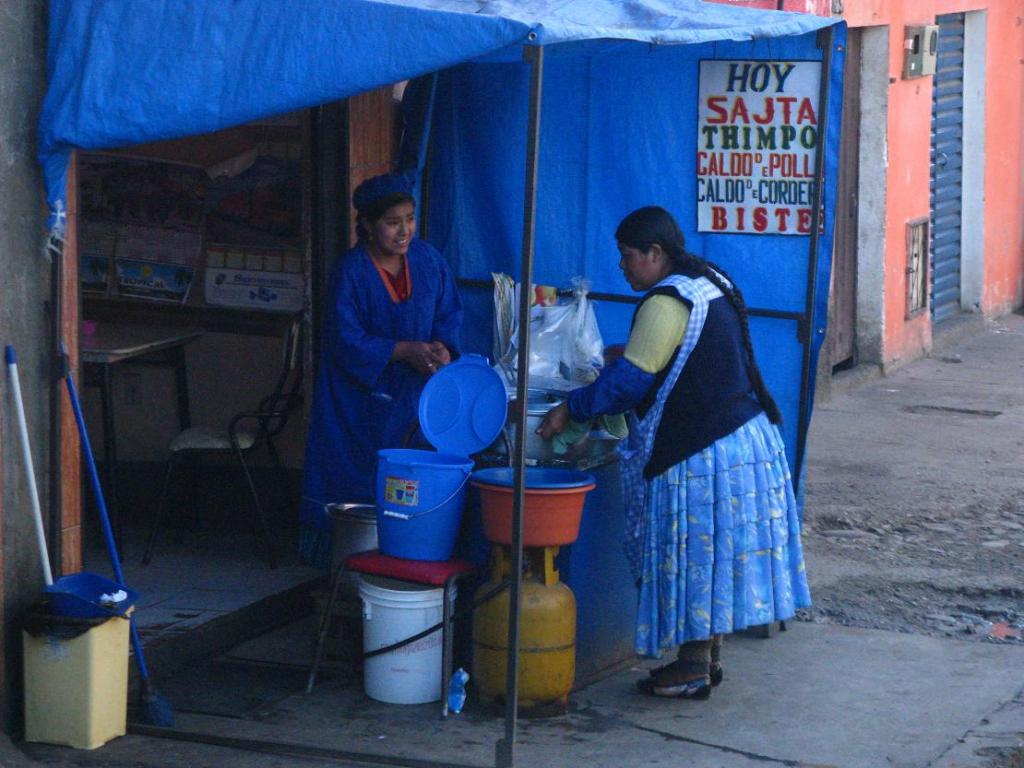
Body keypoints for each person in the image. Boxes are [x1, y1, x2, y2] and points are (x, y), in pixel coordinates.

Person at [538, 206, 810, 698]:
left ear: (654, 253)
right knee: (714, 563)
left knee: (690, 563)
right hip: (744, 441)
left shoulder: (666, 303)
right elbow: (674, 359)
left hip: (704, 454)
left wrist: (570, 409)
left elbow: (628, 384)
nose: (621, 267)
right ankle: (704, 659)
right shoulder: (709, 280)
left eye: (627, 257)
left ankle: (691, 667)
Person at [300, 171, 463, 567]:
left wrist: (443, 347)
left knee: (408, 479)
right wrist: (403, 349)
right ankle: (343, 568)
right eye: (392, 222)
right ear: (369, 226)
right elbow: (344, 340)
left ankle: (409, 559)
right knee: (354, 478)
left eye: (409, 218)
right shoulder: (351, 273)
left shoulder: (428, 260)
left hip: (413, 398)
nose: (404, 230)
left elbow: (449, 314)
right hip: (357, 403)